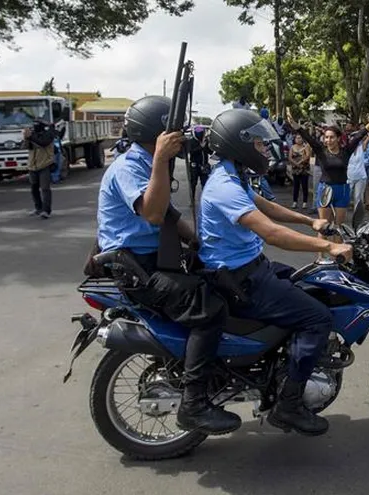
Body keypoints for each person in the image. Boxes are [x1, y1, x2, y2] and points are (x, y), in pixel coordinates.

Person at [199, 108, 352, 435]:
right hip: (241, 280)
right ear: (239, 145)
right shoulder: (224, 185)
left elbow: (265, 206)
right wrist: (328, 247)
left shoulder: (234, 175)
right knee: (318, 318)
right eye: (259, 144)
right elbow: (270, 232)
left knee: (311, 285)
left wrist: (310, 221)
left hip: (250, 270)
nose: (266, 149)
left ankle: (283, 367)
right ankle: (289, 405)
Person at [96, 95, 241, 434]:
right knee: (210, 309)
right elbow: (153, 212)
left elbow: (171, 217)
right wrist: (162, 159)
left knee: (221, 282)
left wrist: (197, 241)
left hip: (155, 259)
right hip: (138, 269)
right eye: (175, 130)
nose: (183, 137)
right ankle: (194, 404)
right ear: (156, 133)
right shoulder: (130, 167)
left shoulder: (147, 163)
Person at [288, 110, 369, 235]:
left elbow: (359, 136)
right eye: (326, 137)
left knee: (338, 228)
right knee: (324, 226)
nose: (328, 140)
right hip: (325, 189)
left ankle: (337, 253)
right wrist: (295, 125)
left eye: (331, 137)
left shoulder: (346, 151)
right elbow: (307, 137)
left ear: (338, 138)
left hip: (342, 190)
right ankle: (321, 255)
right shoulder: (320, 150)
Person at [24, 121, 56, 219]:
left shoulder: (48, 134)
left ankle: (46, 210)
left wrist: (31, 137)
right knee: (34, 188)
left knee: (45, 188)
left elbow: (43, 143)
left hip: (45, 164)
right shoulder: (33, 135)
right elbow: (26, 146)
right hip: (33, 166)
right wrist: (26, 138)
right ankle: (38, 208)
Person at [288, 134, 311, 209]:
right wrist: (295, 164)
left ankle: (305, 202)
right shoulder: (292, 147)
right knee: (296, 186)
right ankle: (295, 202)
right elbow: (290, 157)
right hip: (295, 169)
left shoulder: (306, 146)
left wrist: (300, 162)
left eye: (300, 138)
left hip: (304, 169)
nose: (298, 139)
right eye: (297, 138)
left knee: (304, 186)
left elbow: (307, 156)